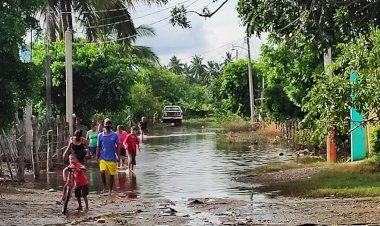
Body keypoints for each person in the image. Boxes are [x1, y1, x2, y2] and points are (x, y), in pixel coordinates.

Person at [96, 118, 120, 194]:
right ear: (104, 124)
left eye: (109, 123)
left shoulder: (115, 135)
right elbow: (98, 146)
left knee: (111, 175)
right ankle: (104, 187)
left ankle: (110, 190)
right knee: (102, 171)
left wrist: (118, 156)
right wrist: (97, 155)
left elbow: (118, 146)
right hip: (103, 158)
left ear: (111, 125)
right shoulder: (100, 135)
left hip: (112, 158)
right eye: (107, 123)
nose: (108, 125)